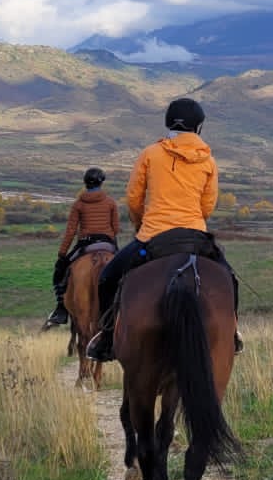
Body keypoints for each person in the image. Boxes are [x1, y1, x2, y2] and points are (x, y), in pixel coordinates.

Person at [85, 97, 242, 359]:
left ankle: (106, 335)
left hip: (153, 235)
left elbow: (134, 198)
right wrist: (192, 221)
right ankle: (232, 333)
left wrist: (140, 225)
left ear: (168, 122)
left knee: (108, 277)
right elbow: (207, 206)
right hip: (194, 236)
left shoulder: (150, 154)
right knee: (230, 280)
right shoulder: (209, 161)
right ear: (198, 127)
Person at [44, 167, 120, 328]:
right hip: (107, 243)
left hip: (85, 244)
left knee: (60, 272)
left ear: (85, 183)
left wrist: (62, 254)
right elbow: (116, 228)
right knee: (125, 271)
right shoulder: (111, 202)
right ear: (101, 182)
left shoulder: (78, 204)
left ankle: (61, 308)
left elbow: (71, 231)